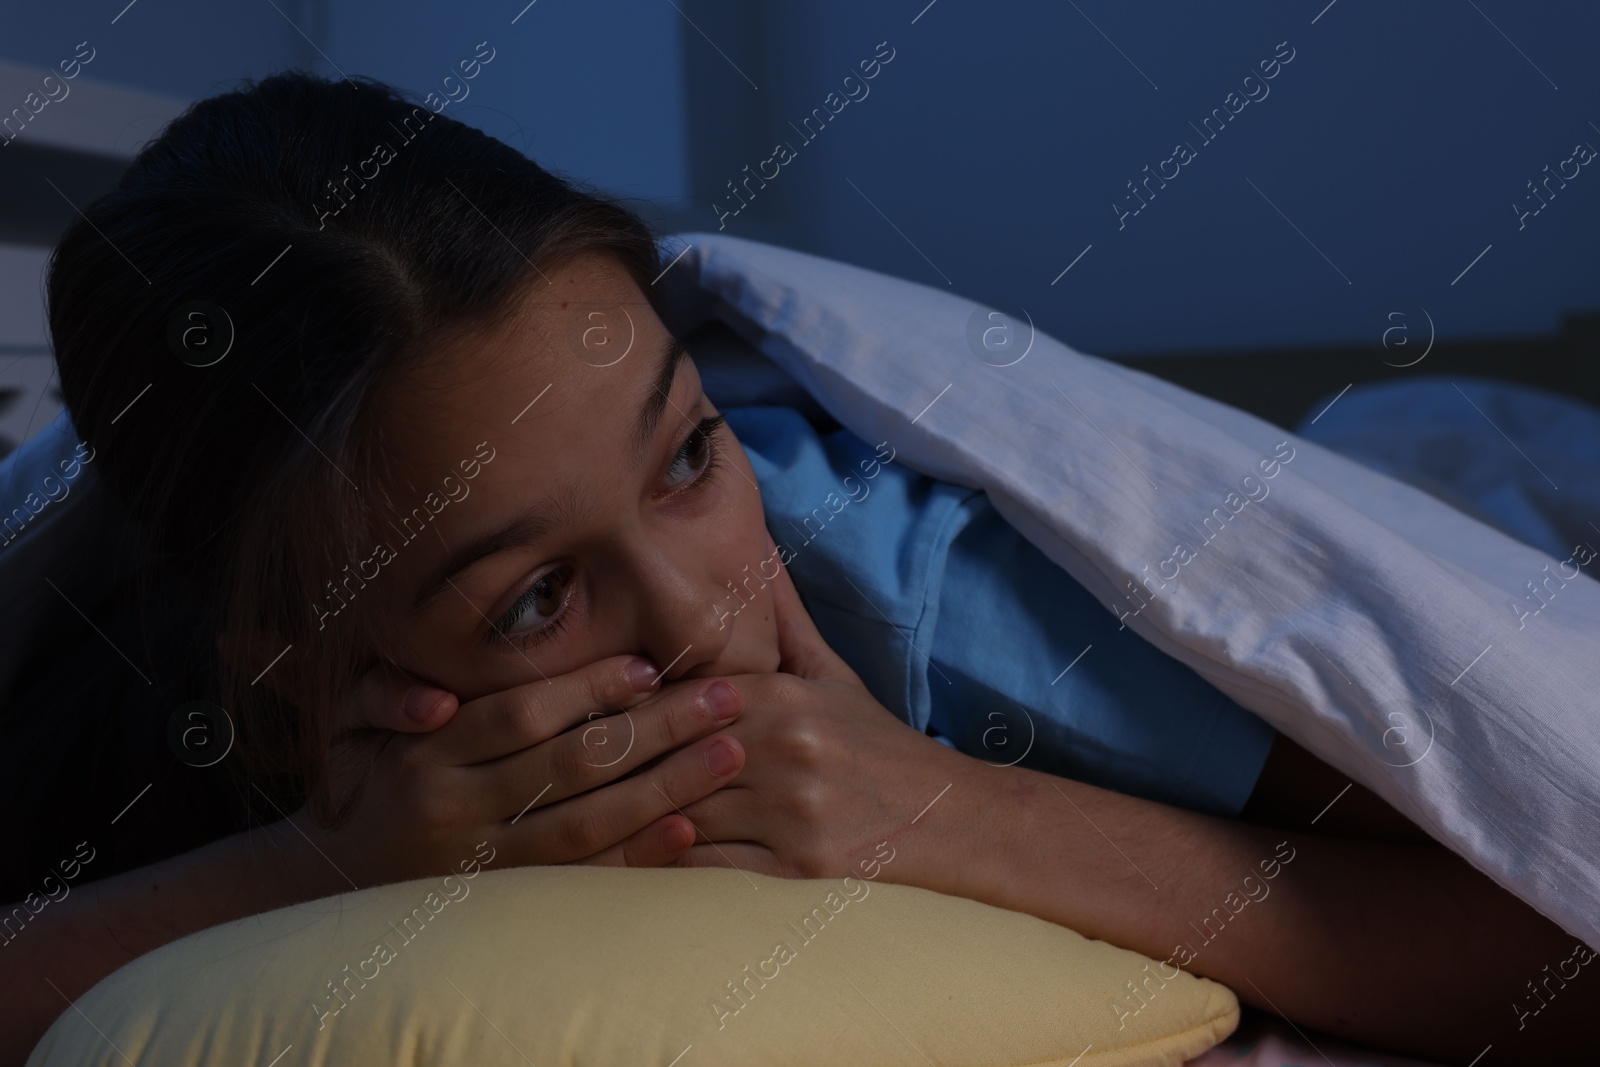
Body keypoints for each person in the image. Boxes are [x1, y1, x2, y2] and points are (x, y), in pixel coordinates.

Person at [0, 72, 1591, 1066]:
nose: (703, 617)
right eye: (535, 600)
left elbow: (1555, 934)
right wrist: (324, 861)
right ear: (289, 666)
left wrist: (957, 812)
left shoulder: (911, 602)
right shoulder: (120, 646)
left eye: (686, 455)